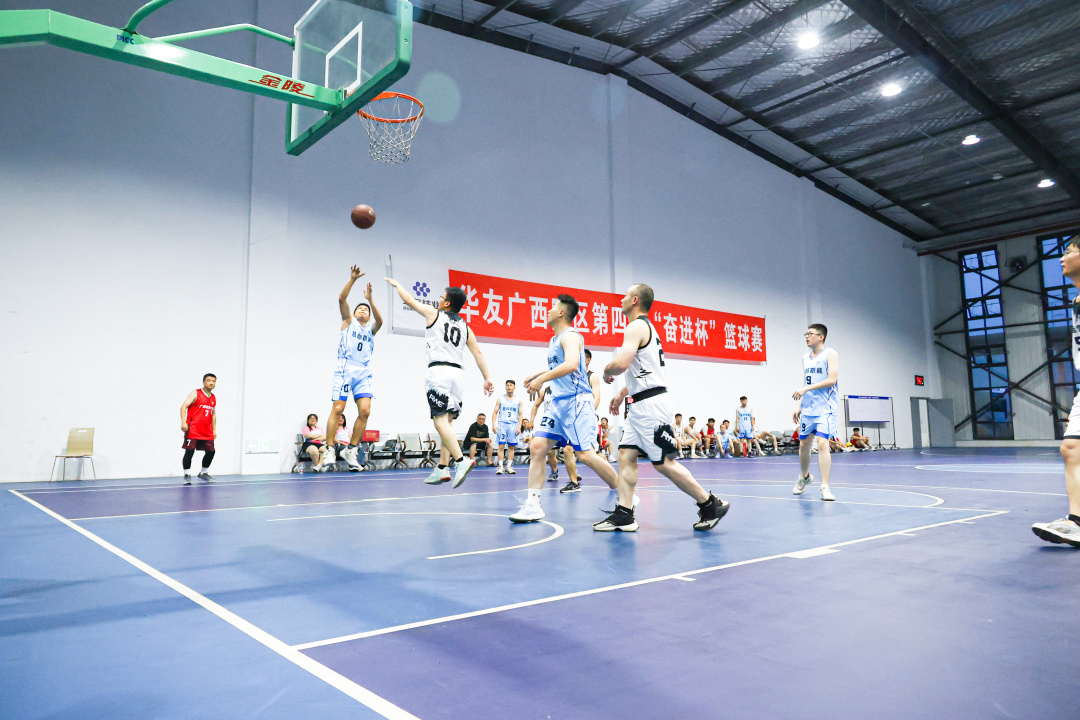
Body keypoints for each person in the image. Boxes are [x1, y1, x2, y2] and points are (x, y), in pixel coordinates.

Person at [601, 284, 728, 532]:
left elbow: (621, 363)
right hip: (641, 403)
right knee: (626, 454)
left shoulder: (636, 326)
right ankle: (624, 513)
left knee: (663, 463)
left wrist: (607, 371)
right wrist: (621, 394)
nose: (621, 299)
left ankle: (710, 504)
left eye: (625, 296)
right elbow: (645, 372)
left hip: (650, 406)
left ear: (635, 300)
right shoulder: (645, 328)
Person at [511, 294, 622, 521]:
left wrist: (542, 380)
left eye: (552, 306)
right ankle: (533, 505)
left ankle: (624, 492)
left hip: (576, 401)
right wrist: (538, 374)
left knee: (586, 455)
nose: (548, 310)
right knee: (537, 447)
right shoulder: (554, 340)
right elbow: (562, 367)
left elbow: (571, 365)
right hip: (558, 403)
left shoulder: (571, 336)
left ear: (562, 312)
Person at [385, 278, 495, 487]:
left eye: (441, 297)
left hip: (439, 372)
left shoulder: (434, 314)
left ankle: (461, 461)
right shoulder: (465, 327)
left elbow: (409, 300)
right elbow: (478, 353)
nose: (439, 300)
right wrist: (487, 377)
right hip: (457, 375)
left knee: (439, 422)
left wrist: (398, 285)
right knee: (448, 423)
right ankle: (442, 467)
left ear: (447, 303)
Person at [1032, 237, 1080, 548]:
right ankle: (1077, 522)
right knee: (1071, 448)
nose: (1062, 258)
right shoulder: (1076, 301)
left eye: (1069, 252)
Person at [325, 266, 383, 472]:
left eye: (366, 309)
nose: (363, 310)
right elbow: (342, 299)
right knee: (338, 409)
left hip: (363, 371)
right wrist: (352, 280)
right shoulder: (348, 322)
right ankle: (329, 448)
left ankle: (351, 450)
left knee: (365, 412)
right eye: (360, 308)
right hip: (346, 367)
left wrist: (370, 300)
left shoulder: (371, 330)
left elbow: (380, 321)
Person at [792, 324, 839, 502]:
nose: (806, 336)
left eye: (810, 334)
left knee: (822, 444)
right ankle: (804, 477)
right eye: (806, 333)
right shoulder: (805, 358)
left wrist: (806, 389)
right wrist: (799, 406)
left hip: (825, 408)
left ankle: (825, 486)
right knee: (804, 445)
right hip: (808, 408)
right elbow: (807, 381)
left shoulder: (830, 353)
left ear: (821, 337)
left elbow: (832, 379)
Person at [180, 373, 217, 484]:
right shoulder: (196, 393)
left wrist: (214, 430)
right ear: (204, 382)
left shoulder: (213, 397)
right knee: (189, 451)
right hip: (193, 429)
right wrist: (183, 422)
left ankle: (203, 473)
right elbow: (183, 406)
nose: (211, 383)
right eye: (209, 380)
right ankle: (187, 474)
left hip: (206, 430)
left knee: (211, 452)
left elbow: (213, 414)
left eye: (213, 381)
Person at [493, 380, 523, 475]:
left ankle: (509, 466)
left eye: (511, 385)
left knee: (511, 446)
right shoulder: (500, 399)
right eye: (507, 385)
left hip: (513, 425)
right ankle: (500, 466)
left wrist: (519, 426)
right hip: (502, 424)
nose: (509, 387)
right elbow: (495, 412)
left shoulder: (518, 400)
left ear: (514, 387)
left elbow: (520, 414)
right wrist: (494, 424)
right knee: (501, 446)